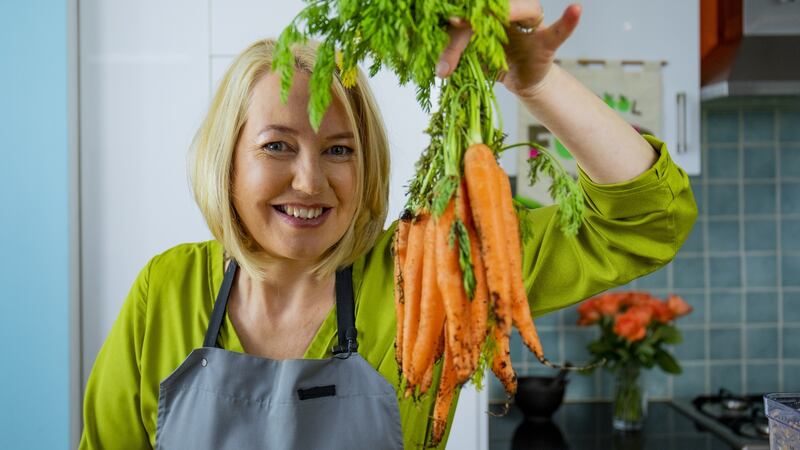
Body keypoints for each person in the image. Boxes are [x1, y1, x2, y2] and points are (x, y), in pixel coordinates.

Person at [79, 2, 697, 449]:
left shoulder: (430, 272)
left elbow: (644, 221)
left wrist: (535, 83)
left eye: (340, 150)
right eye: (276, 146)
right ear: (228, 159)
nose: (309, 182)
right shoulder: (166, 289)